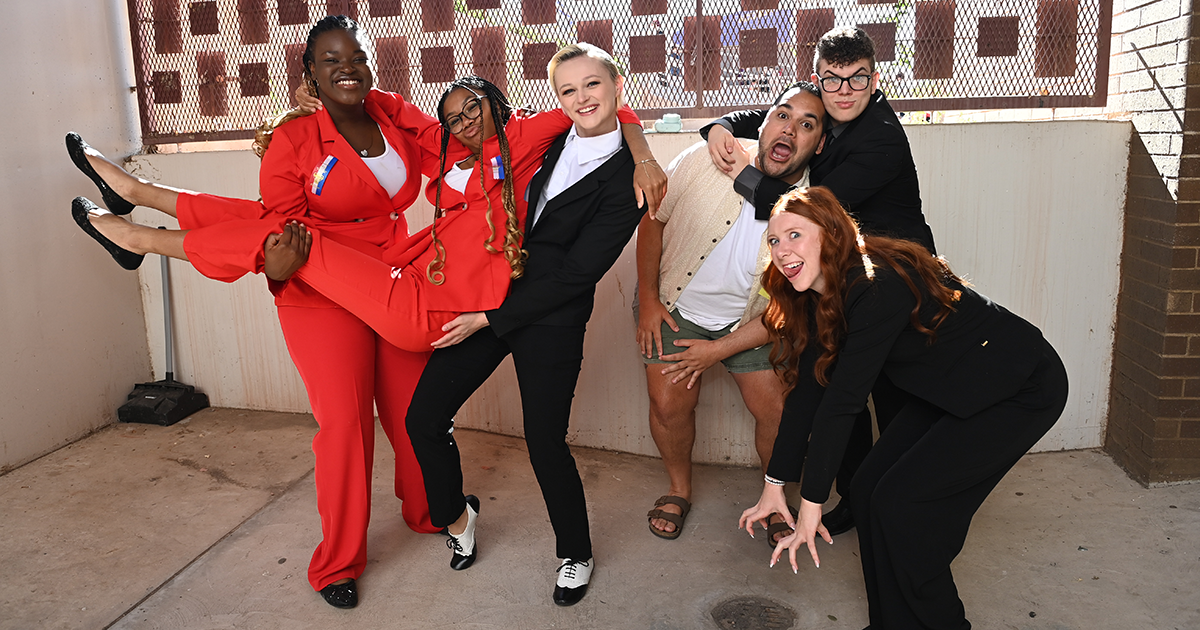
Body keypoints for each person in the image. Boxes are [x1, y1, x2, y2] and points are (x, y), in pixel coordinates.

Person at [66, 18, 661, 610]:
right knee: (280, 238)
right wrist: (321, 102)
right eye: (453, 116)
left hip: (421, 298)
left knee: (439, 418)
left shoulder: (515, 140)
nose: (464, 123)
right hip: (379, 280)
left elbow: (607, 106)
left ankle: (139, 228)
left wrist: (644, 155)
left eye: (475, 111)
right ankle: (137, 212)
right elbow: (363, 112)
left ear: (502, 110)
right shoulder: (365, 143)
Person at [739, 186, 1068, 629]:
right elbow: (809, 393)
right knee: (870, 490)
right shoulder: (822, 295)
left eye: (795, 235)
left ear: (831, 234)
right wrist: (775, 484)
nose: (781, 250)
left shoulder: (875, 286)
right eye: (775, 241)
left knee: (907, 511)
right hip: (951, 387)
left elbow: (844, 402)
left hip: (1017, 386)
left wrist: (812, 503)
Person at [399, 43, 652, 607]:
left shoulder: (630, 179)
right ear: (557, 100)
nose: (583, 98)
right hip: (488, 299)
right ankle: (456, 515)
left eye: (593, 85)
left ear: (615, 84)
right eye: (569, 90)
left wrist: (488, 318)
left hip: (547, 321)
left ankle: (576, 552)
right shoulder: (551, 139)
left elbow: (576, 273)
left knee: (543, 442)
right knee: (423, 418)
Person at [703, 26, 938, 536]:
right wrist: (718, 125)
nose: (844, 91)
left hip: (899, 283)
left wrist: (741, 170)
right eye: (833, 80)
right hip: (847, 279)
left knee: (895, 397)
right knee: (839, 392)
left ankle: (898, 509)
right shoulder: (831, 107)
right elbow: (773, 116)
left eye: (857, 79)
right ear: (819, 78)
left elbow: (801, 212)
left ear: (874, 80)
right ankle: (854, 496)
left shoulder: (880, 139)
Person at [635, 82, 824, 543]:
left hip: (754, 323)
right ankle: (679, 489)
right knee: (668, 403)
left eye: (807, 125)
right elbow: (652, 224)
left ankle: (774, 496)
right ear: (761, 123)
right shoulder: (704, 159)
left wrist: (717, 350)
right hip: (677, 307)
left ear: (819, 145)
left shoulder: (815, 206)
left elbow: (790, 308)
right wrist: (648, 302)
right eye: (783, 115)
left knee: (778, 411)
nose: (790, 130)